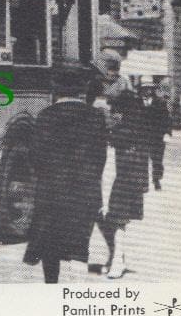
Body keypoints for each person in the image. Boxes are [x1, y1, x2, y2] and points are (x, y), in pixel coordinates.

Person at [23, 68, 108, 283]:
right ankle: (75, 294)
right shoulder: (95, 117)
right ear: (81, 90)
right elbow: (100, 158)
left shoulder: (45, 116)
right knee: (79, 245)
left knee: (50, 244)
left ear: (56, 90)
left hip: (51, 193)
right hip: (84, 192)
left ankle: (51, 286)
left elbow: (35, 156)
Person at [101, 90, 149, 279]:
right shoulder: (137, 127)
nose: (113, 113)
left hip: (123, 180)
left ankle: (117, 262)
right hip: (129, 180)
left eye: (115, 110)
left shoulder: (125, 130)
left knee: (117, 221)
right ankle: (116, 258)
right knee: (116, 221)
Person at [139, 79, 172, 191]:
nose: (147, 90)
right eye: (145, 88)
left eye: (149, 88)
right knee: (142, 159)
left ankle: (156, 180)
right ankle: (144, 184)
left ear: (153, 89)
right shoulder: (137, 102)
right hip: (142, 135)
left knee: (157, 160)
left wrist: (167, 132)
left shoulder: (160, 103)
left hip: (157, 136)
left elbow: (167, 119)